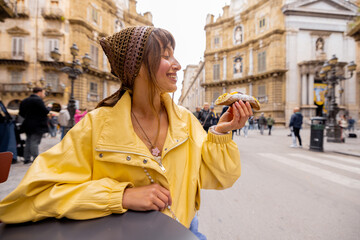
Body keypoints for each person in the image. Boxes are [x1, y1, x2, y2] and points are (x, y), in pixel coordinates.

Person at [0, 27, 253, 239]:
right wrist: (120, 195)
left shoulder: (185, 121)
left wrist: (220, 133)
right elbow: (28, 198)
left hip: (183, 230)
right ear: (138, 67)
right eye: (166, 55)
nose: (177, 65)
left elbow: (220, 178)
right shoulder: (96, 126)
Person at [18, 87, 49, 164]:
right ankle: (35, 158)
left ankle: (26, 158)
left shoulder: (25, 100)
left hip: (27, 123)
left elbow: (21, 113)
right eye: (44, 93)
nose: (44, 95)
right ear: (39, 92)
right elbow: (45, 111)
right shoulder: (38, 100)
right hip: (38, 124)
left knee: (28, 140)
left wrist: (29, 117)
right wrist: (49, 108)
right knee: (34, 141)